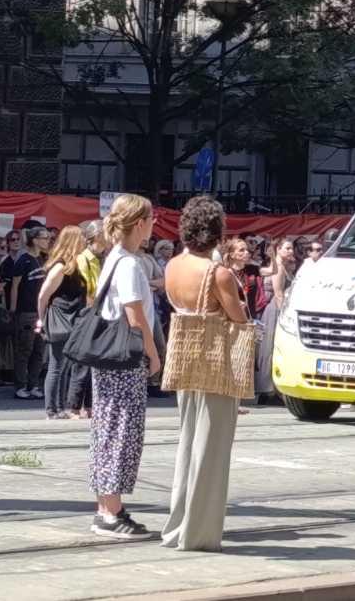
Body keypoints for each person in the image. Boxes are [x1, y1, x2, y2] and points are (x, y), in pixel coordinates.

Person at [162, 196, 250, 552]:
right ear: (217, 232)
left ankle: (177, 524)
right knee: (211, 450)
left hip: (184, 358)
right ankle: (199, 532)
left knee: (187, 444)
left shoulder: (172, 265)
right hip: (214, 363)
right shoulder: (219, 273)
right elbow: (238, 319)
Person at [86, 193, 162, 540]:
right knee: (123, 432)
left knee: (107, 429)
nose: (154, 225)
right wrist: (152, 352)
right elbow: (135, 315)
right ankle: (112, 511)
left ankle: (106, 507)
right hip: (125, 358)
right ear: (140, 223)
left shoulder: (113, 258)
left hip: (107, 359)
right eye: (151, 219)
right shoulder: (130, 263)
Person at [36, 225, 91, 420]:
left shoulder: (75, 266)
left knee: (63, 367)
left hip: (71, 319)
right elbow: (44, 295)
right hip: (60, 318)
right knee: (56, 366)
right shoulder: (60, 267)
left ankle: (59, 407)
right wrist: (41, 319)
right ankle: (52, 409)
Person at [254, 237, 300, 404]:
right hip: (275, 309)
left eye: (291, 248)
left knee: (274, 347)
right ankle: (269, 390)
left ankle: (272, 390)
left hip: (278, 307)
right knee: (271, 348)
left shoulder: (283, 267)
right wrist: (283, 315)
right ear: (278, 249)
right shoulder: (279, 268)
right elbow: (278, 293)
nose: (290, 251)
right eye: (287, 248)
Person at [8, 226, 47, 400]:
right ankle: (20, 385)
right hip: (26, 311)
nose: (47, 241)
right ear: (34, 240)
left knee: (39, 349)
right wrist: (13, 308)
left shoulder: (43, 259)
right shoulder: (23, 260)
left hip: (42, 311)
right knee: (25, 349)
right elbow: (15, 285)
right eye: (43, 238)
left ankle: (33, 384)